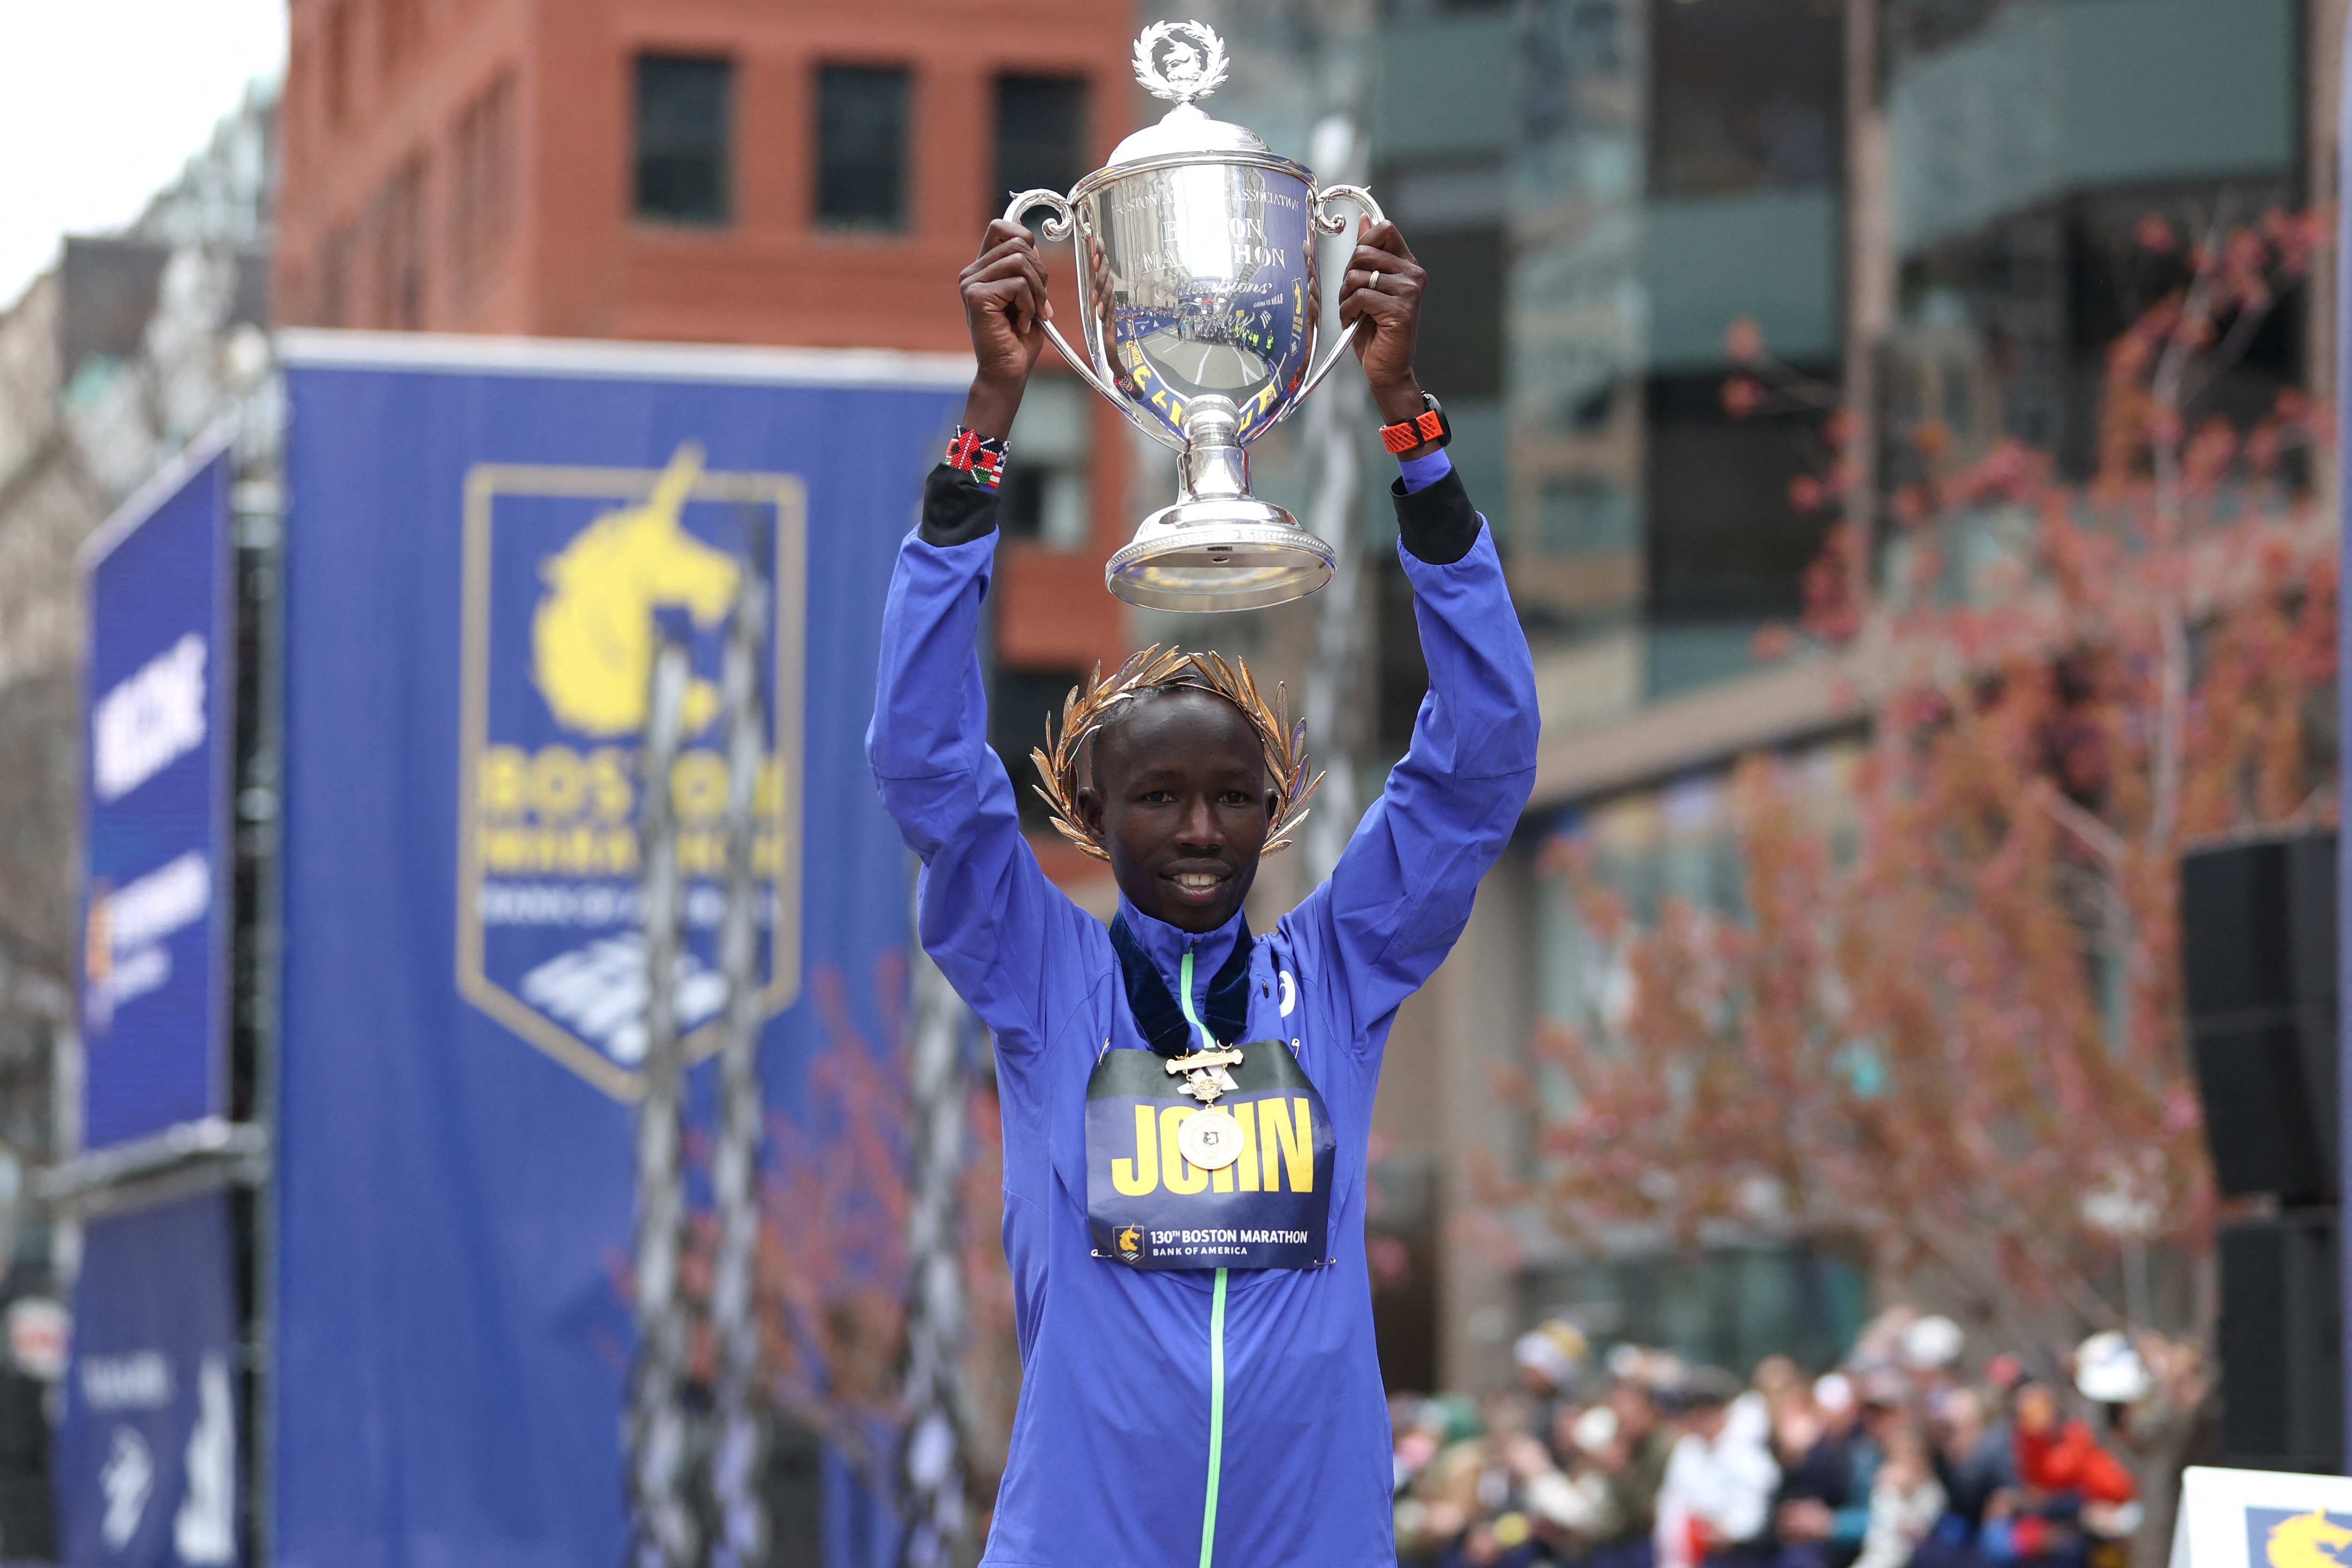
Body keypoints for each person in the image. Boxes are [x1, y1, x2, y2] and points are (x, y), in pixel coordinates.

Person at [868, 216, 1539, 1567]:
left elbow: (1482, 761)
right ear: (1089, 810)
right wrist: (984, 433)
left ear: (1275, 810)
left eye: (1233, 796)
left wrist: (1414, 432)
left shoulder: (1336, 976)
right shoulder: (1043, 979)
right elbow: (924, 764)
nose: (1198, 829)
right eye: (1158, 796)